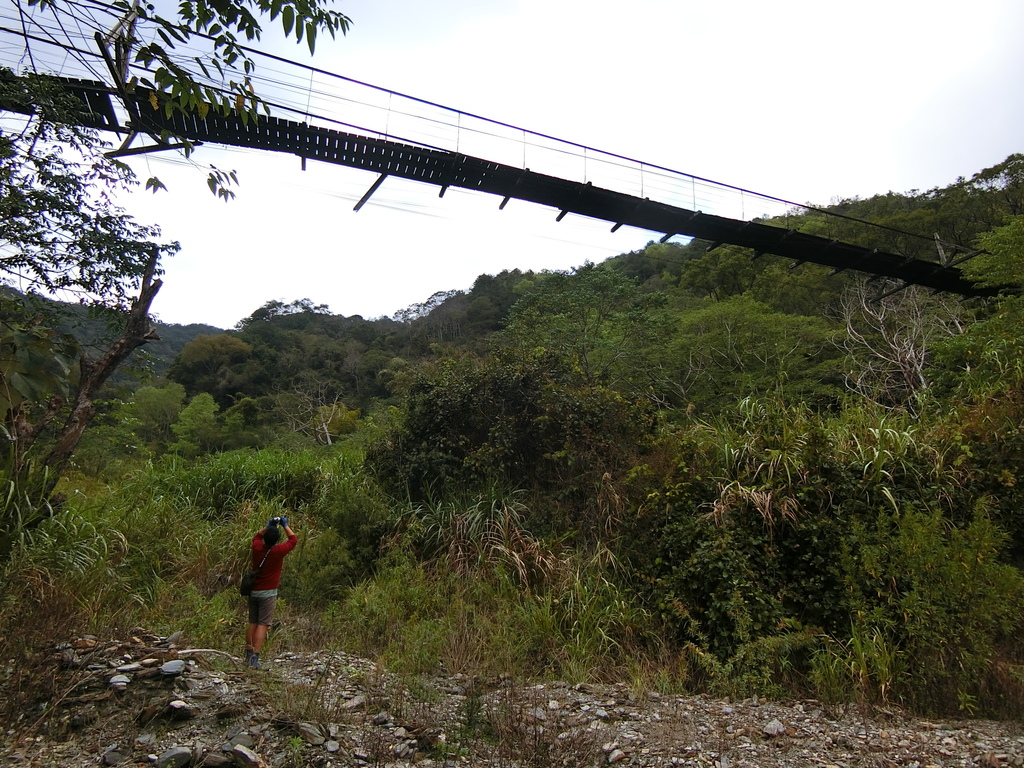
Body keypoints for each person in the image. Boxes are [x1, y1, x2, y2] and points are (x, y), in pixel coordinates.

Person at [245, 516, 298, 669]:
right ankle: (255, 657)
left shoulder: (257, 548)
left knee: (253, 623)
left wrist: (268, 526)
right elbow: (293, 540)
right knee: (263, 624)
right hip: (268, 594)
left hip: (254, 592)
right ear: (276, 540)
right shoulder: (278, 551)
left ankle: (248, 654)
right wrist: (285, 525)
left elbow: (256, 537)